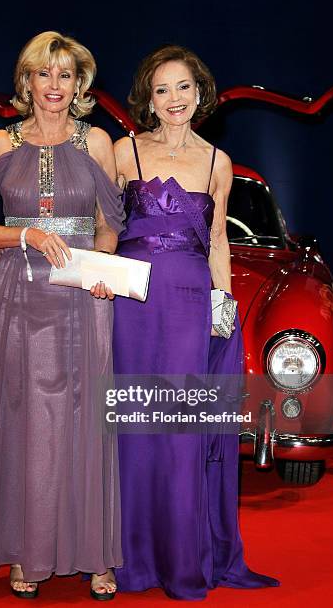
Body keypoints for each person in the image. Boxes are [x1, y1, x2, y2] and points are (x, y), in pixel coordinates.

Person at [0, 31, 125, 600]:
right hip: (21, 292)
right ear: (26, 81)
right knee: (27, 421)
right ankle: (25, 552)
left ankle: (95, 552)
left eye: (66, 76)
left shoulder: (98, 142)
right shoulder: (0, 143)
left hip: (84, 295)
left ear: (80, 85)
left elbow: (110, 223)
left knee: (86, 422)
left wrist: (102, 265)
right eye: (43, 74)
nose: (54, 86)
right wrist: (25, 232)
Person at [113, 45, 280, 600]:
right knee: (134, 428)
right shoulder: (124, 152)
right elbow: (104, 231)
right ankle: (131, 559)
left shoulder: (218, 162)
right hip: (131, 306)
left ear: (200, 93)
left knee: (181, 430)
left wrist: (223, 306)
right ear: (148, 99)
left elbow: (216, 241)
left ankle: (184, 559)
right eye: (162, 89)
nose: (174, 99)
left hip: (189, 302)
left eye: (183, 87)